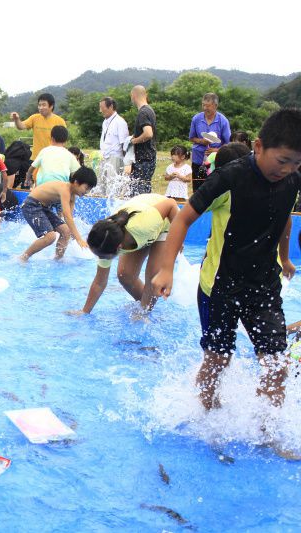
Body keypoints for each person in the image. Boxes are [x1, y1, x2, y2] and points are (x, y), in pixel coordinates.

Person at [151, 110, 301, 423]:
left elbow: (285, 217)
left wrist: (285, 258)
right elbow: (183, 217)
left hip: (263, 286)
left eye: (297, 163)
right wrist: (166, 269)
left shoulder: (292, 181)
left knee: (277, 364)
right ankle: (204, 416)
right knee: (219, 358)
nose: (288, 170)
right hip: (219, 286)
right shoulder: (231, 176)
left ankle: (267, 430)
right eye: (283, 160)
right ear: (258, 147)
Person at [72, 193, 178, 315]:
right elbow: (99, 282)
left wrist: (178, 240)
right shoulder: (104, 240)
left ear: (119, 247)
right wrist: (85, 311)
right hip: (139, 229)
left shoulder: (142, 225)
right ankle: (144, 307)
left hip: (164, 221)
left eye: (103, 257)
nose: (101, 258)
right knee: (125, 275)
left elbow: (171, 204)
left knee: (154, 279)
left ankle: (144, 312)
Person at [20, 167, 96, 261]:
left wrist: (73, 234)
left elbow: (69, 218)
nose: (87, 192)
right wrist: (79, 239)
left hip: (43, 208)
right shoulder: (65, 189)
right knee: (50, 237)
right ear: (76, 182)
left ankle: (57, 260)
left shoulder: (72, 197)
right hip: (31, 205)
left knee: (66, 231)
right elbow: (67, 216)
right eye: (86, 188)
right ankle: (23, 257)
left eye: (89, 189)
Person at [10, 93, 66, 184]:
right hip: (37, 158)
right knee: (37, 182)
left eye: (44, 105)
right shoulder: (34, 118)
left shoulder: (59, 121)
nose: (40, 107)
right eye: (39, 105)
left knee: (50, 183)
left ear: (51, 106)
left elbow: (63, 141)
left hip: (52, 159)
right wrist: (16, 119)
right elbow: (21, 126)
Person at [189, 92, 231, 193]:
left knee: (212, 190)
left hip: (215, 162)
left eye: (208, 105)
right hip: (198, 159)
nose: (204, 108)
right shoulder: (196, 119)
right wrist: (201, 141)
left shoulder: (223, 121)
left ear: (215, 106)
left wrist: (217, 150)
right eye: (203, 105)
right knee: (197, 189)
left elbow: (229, 143)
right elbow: (191, 138)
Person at [129, 85, 157, 195]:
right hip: (149, 157)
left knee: (137, 193)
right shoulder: (150, 110)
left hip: (143, 159)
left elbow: (148, 133)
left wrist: (134, 141)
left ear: (133, 96)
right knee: (145, 191)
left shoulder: (143, 112)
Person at [98, 96, 129, 195]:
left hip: (115, 159)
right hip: (104, 157)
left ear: (111, 106)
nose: (100, 110)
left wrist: (127, 164)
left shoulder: (120, 122)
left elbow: (125, 145)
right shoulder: (105, 122)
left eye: (102, 108)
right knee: (101, 186)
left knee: (112, 189)